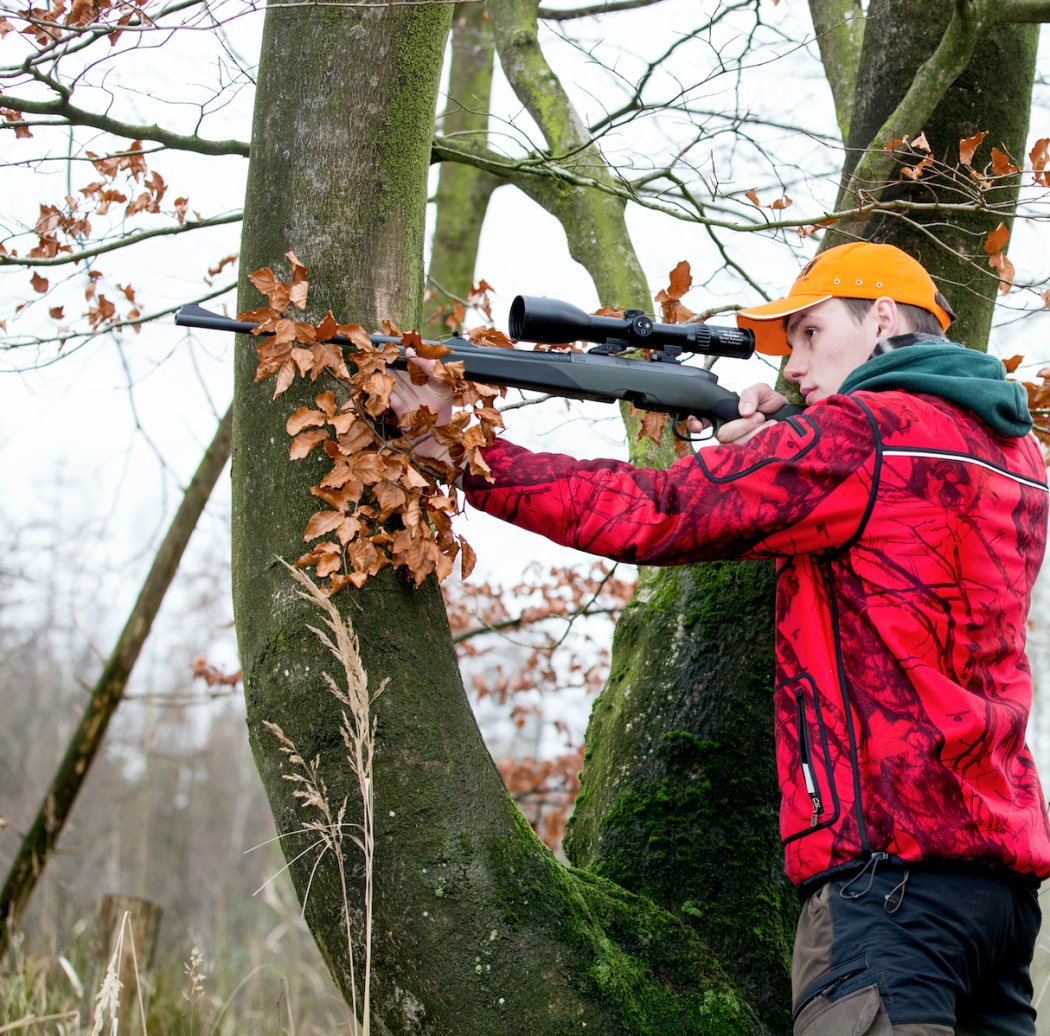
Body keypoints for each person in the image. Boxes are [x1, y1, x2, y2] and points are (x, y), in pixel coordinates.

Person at [390, 242, 1050, 1034]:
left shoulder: (858, 435)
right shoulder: (1018, 451)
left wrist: (462, 452)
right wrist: (774, 445)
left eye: (809, 334)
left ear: (879, 317)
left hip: (885, 883)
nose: (796, 365)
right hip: (1000, 886)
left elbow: (657, 512)